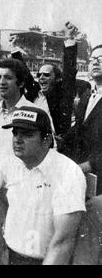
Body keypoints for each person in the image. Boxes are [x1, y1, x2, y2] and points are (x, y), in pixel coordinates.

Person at [0, 58, 54, 264]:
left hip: (26, 196)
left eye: (8, 78)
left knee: (23, 252)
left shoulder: (35, 112)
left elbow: (49, 152)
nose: (1, 82)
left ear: (20, 83)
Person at [0, 106, 86, 265]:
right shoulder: (10, 161)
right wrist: (3, 219)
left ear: (47, 140)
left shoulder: (67, 172)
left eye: (27, 134)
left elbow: (63, 242)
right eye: (15, 133)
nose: (17, 139)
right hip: (12, 254)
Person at [11, 22, 80, 136]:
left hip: (56, 147)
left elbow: (69, 72)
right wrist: (14, 49)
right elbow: (24, 72)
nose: (41, 77)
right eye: (39, 75)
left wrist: (69, 39)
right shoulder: (35, 92)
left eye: (47, 75)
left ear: (58, 79)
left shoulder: (63, 94)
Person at [61, 44, 102, 195]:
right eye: (92, 60)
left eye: (101, 59)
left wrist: (88, 166)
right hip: (83, 177)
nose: (96, 62)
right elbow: (78, 128)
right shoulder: (86, 96)